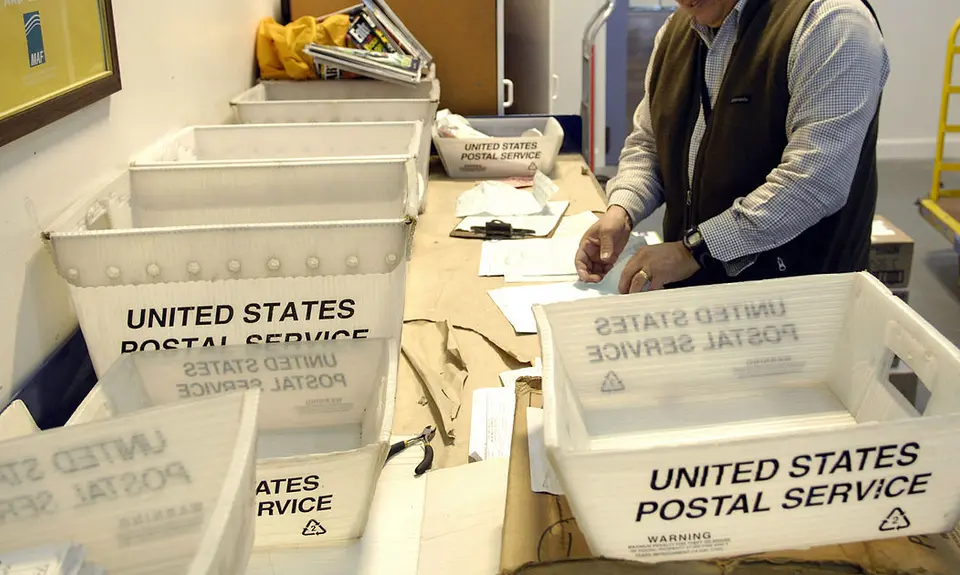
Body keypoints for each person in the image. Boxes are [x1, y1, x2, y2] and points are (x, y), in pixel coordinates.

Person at [575, 0, 889, 294]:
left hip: (802, 301)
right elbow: (649, 144)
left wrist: (693, 250)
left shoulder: (831, 24)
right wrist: (622, 211)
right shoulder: (676, 31)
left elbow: (814, 183)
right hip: (702, 293)